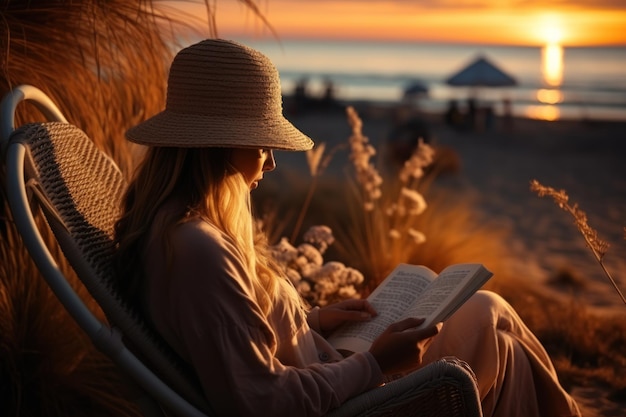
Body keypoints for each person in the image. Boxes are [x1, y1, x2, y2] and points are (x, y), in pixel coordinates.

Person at [114, 39, 580, 417]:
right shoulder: (198, 249)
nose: (272, 163)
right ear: (217, 148)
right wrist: (376, 362)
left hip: (335, 372)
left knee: (498, 337)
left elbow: (230, 339)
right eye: (261, 146)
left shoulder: (171, 228)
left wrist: (314, 321)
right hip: (354, 402)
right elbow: (261, 400)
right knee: (488, 311)